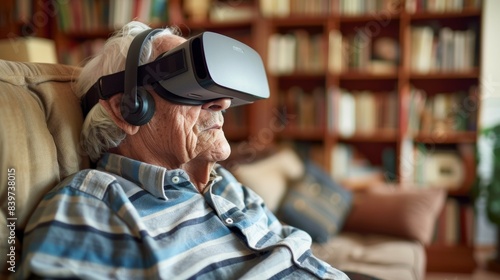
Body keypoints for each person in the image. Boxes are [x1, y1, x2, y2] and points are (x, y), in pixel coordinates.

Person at [18, 21, 349, 279]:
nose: (223, 103)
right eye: (189, 84)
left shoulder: (227, 186)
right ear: (128, 107)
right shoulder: (90, 203)